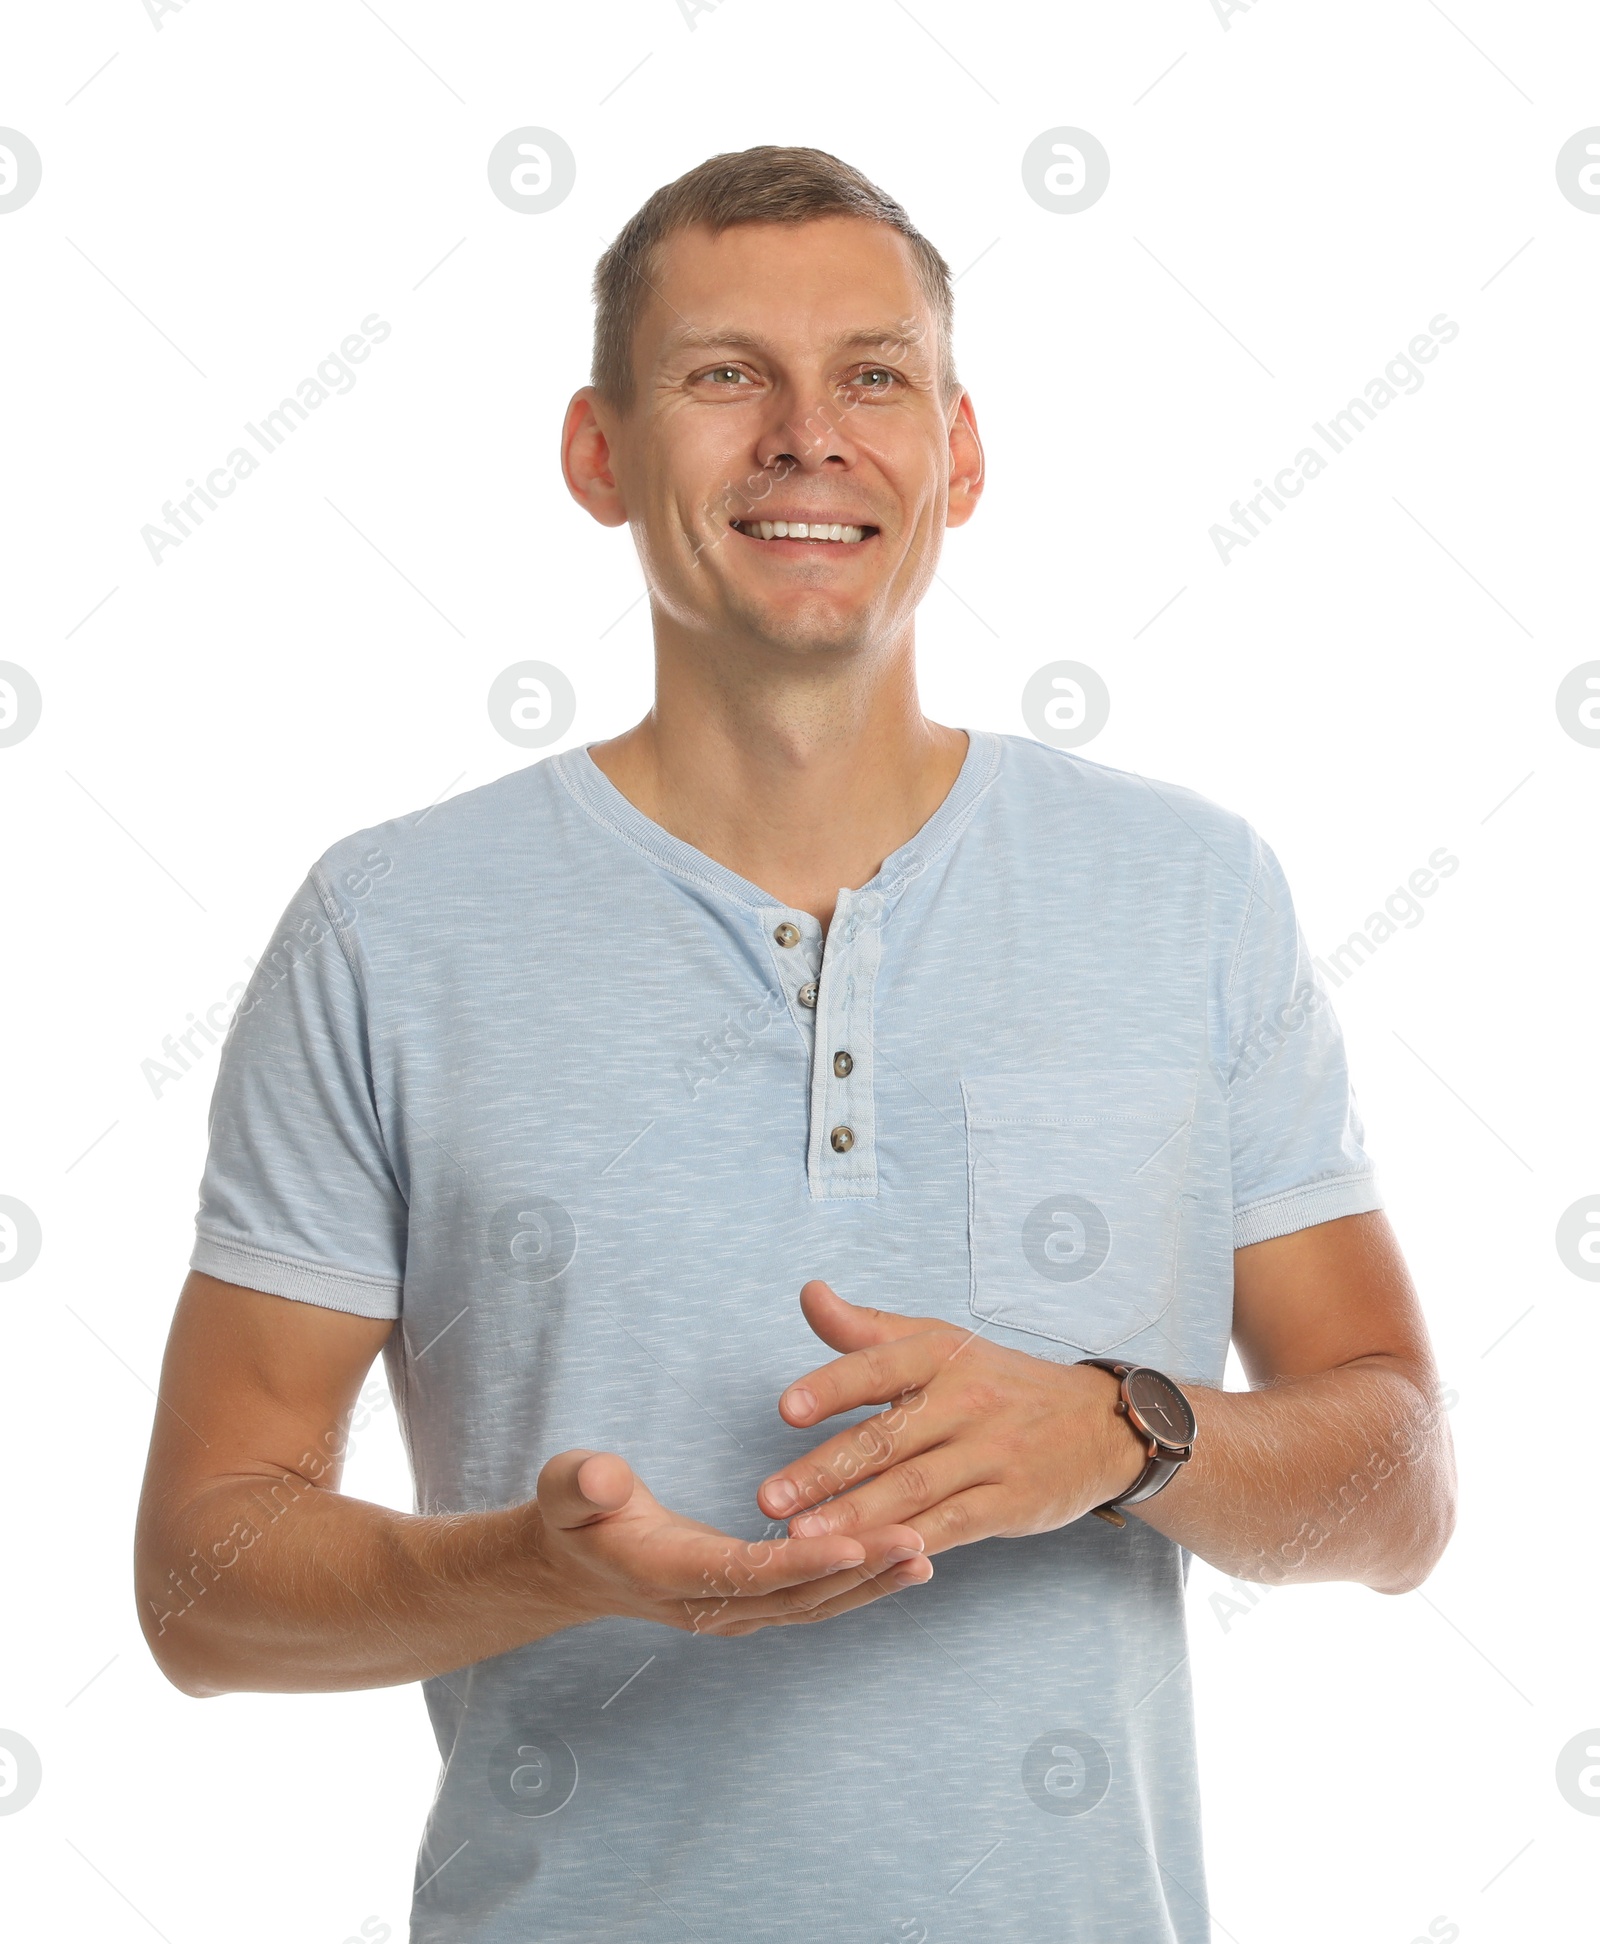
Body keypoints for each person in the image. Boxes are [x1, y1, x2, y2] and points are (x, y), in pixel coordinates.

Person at [135, 146, 1456, 1942]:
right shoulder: (391, 929)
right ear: (601, 451)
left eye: (873, 376)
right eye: (724, 373)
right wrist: (527, 1570)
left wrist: (1125, 1436)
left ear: (960, 452)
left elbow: (1397, 1491)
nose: (806, 436)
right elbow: (203, 1583)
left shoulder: (1191, 892)